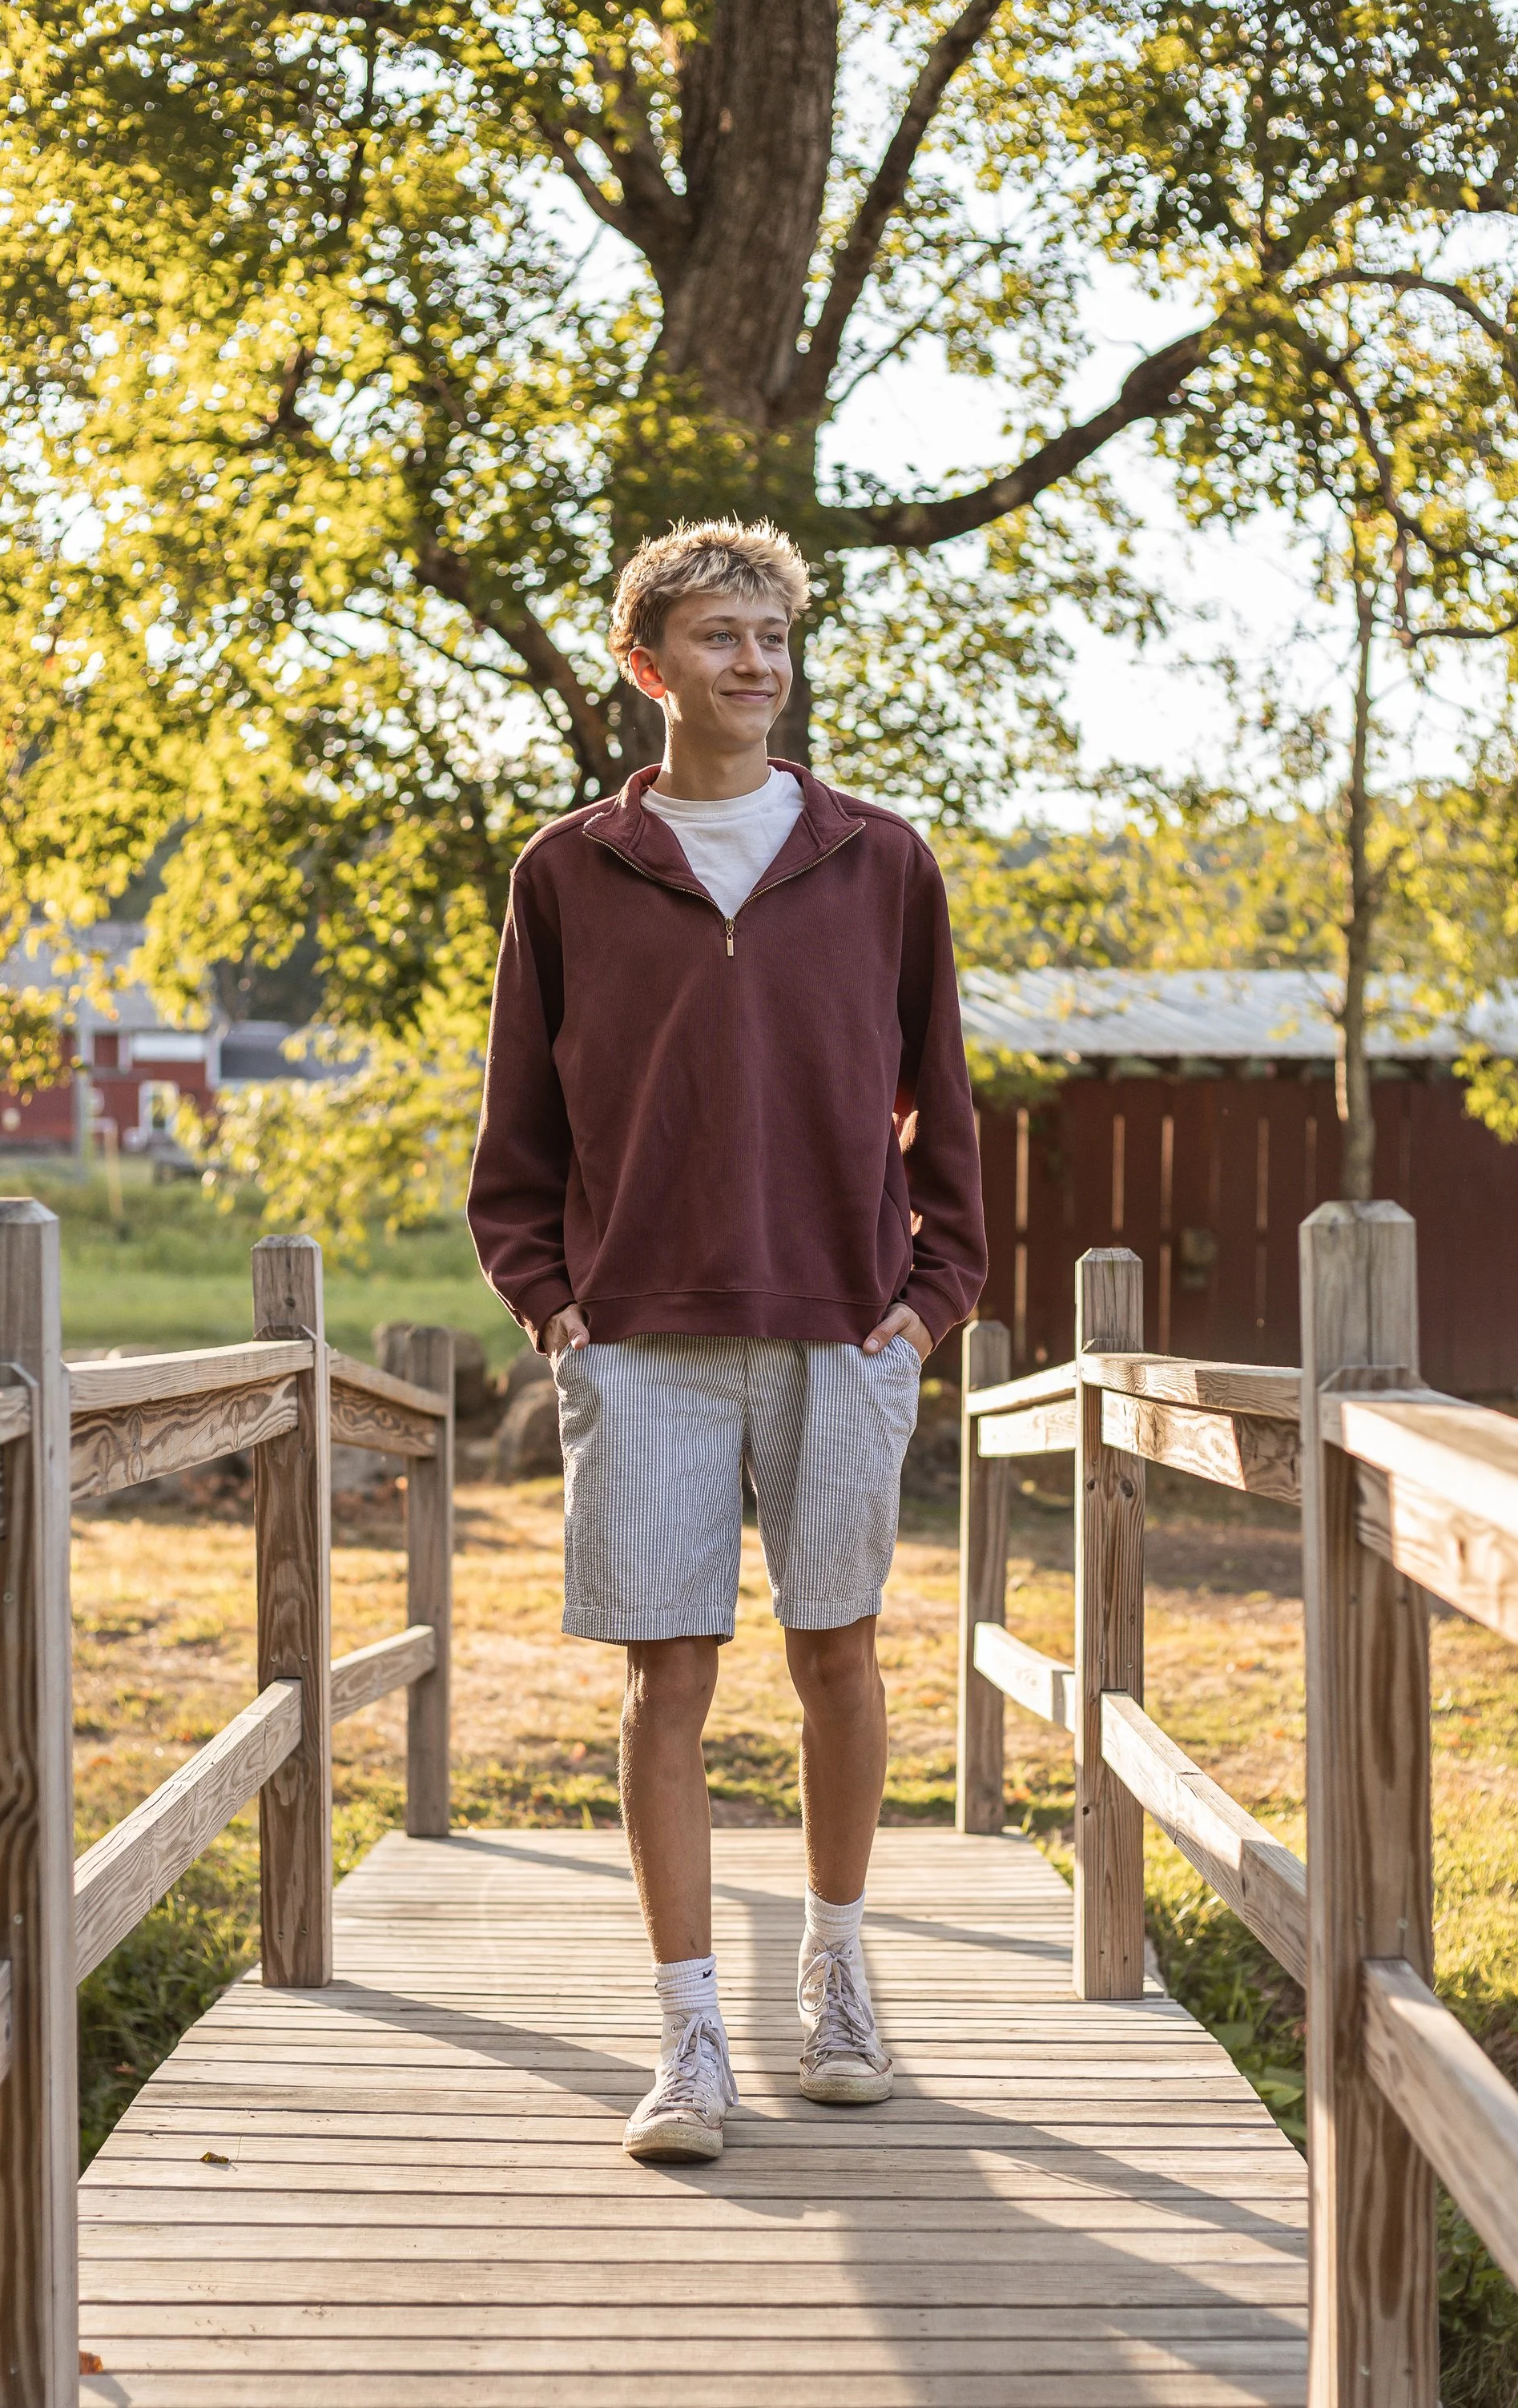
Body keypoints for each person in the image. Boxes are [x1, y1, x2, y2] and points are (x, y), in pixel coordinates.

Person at [467, 517, 986, 2163]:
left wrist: (927, 1300)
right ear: (647, 664)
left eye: (769, 636)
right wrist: (555, 1307)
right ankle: (688, 2035)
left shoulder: (879, 859)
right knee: (664, 1679)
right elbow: (518, 1137)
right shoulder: (567, 872)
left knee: (836, 1653)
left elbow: (942, 1103)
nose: (749, 663)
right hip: (641, 1338)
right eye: (714, 637)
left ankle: (836, 1972)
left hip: (841, 1325)